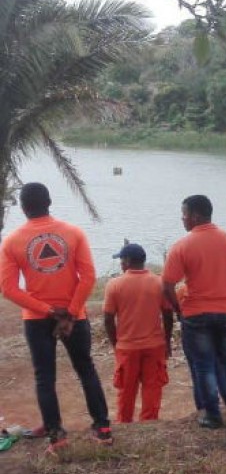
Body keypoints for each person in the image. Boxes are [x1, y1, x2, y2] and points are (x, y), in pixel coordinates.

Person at [0, 182, 112, 453]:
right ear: (49, 203)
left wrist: (48, 311)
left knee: (44, 378)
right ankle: (103, 429)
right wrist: (70, 313)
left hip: (36, 320)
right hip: (75, 317)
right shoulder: (73, 233)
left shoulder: (12, 241)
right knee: (86, 369)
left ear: (23, 207)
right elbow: (87, 277)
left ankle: (57, 436)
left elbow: (8, 288)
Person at [162, 195, 226, 428]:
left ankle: (212, 414)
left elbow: (167, 284)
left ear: (195, 216)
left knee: (203, 364)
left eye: (184, 214)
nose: (182, 219)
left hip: (197, 314)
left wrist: (177, 309)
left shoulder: (182, 245)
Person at [103, 243, 174, 423]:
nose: (120, 263)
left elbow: (108, 319)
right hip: (155, 345)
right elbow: (167, 314)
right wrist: (167, 341)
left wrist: (116, 343)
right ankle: (149, 425)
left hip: (127, 347)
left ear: (127, 261)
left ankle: (124, 424)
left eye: (121, 259)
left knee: (126, 391)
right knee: (152, 389)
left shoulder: (114, 285)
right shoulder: (158, 282)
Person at [176, 283, 226, 413]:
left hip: (192, 332)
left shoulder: (182, 291)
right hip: (215, 329)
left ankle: (204, 409)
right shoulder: (216, 287)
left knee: (198, 370)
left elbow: (178, 314)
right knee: (220, 368)